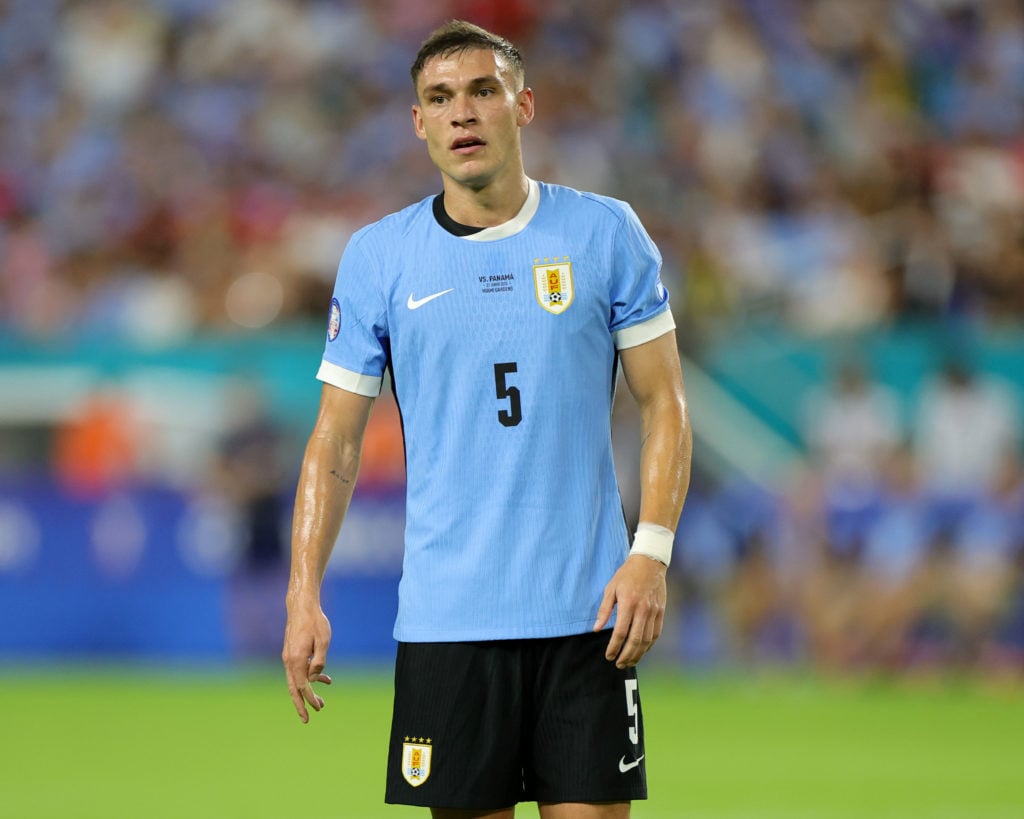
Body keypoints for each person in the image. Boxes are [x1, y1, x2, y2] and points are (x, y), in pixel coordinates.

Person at [282, 20, 692, 819]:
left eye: (481, 91)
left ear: (523, 106)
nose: (461, 112)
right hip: (448, 621)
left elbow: (665, 402)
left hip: (588, 617)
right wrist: (304, 592)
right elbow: (333, 443)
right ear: (418, 123)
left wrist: (651, 553)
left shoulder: (604, 233)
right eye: (439, 98)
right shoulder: (379, 256)